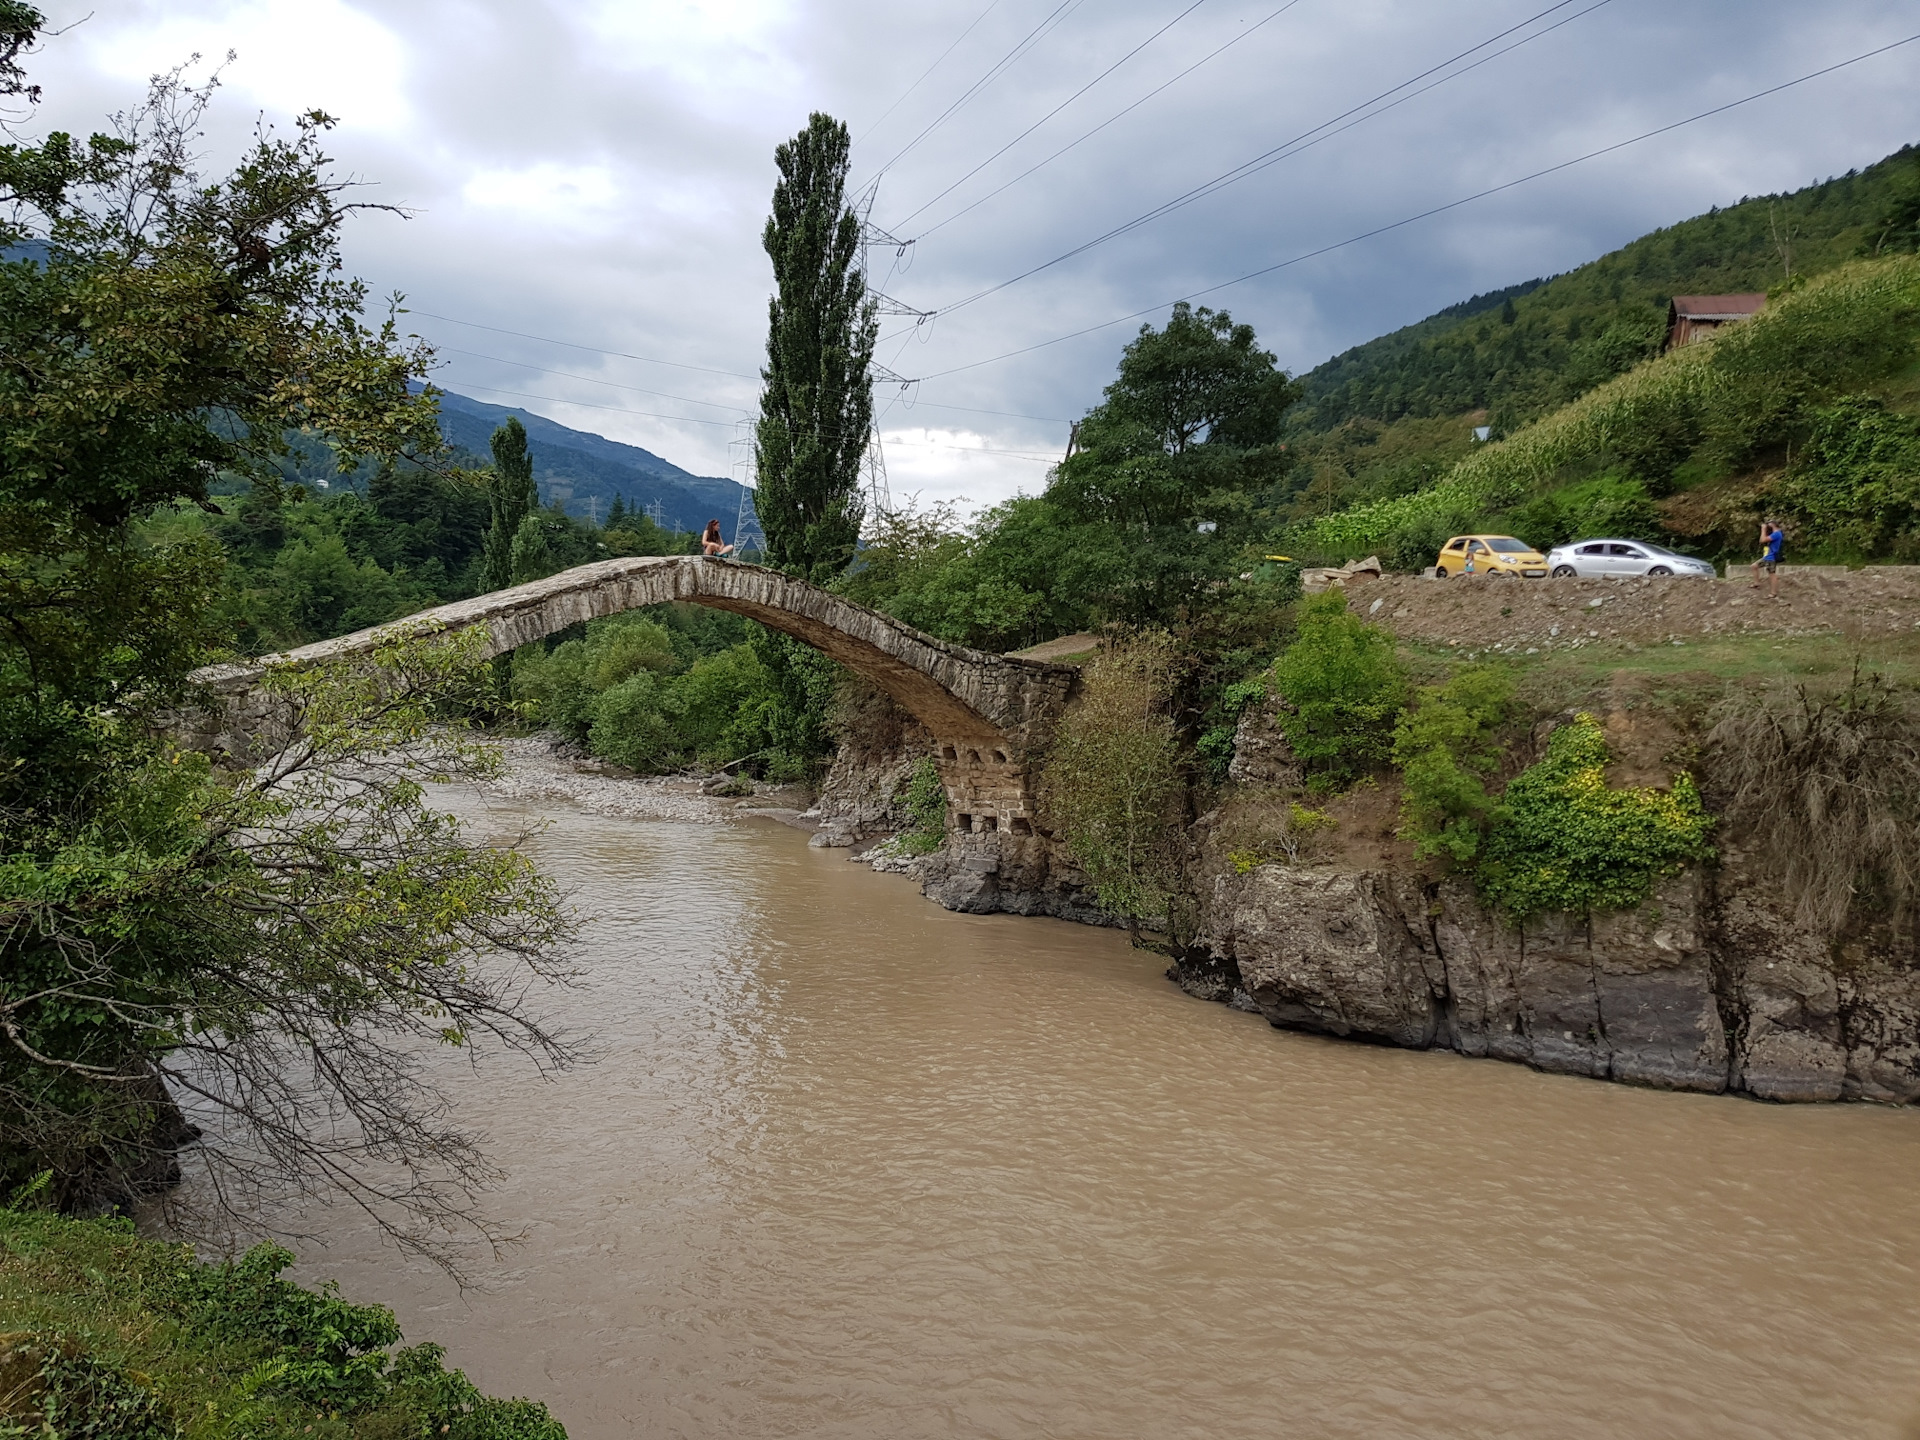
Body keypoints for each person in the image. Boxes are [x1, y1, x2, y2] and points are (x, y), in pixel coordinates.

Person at [1751, 520, 1784, 596]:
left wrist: (1763, 529)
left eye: (1769, 524)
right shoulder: (1776, 533)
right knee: (1754, 566)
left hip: (1771, 557)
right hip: (1767, 556)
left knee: (1772, 574)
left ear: (1773, 525)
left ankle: (1773, 592)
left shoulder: (1776, 534)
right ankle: (1756, 583)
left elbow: (1762, 540)